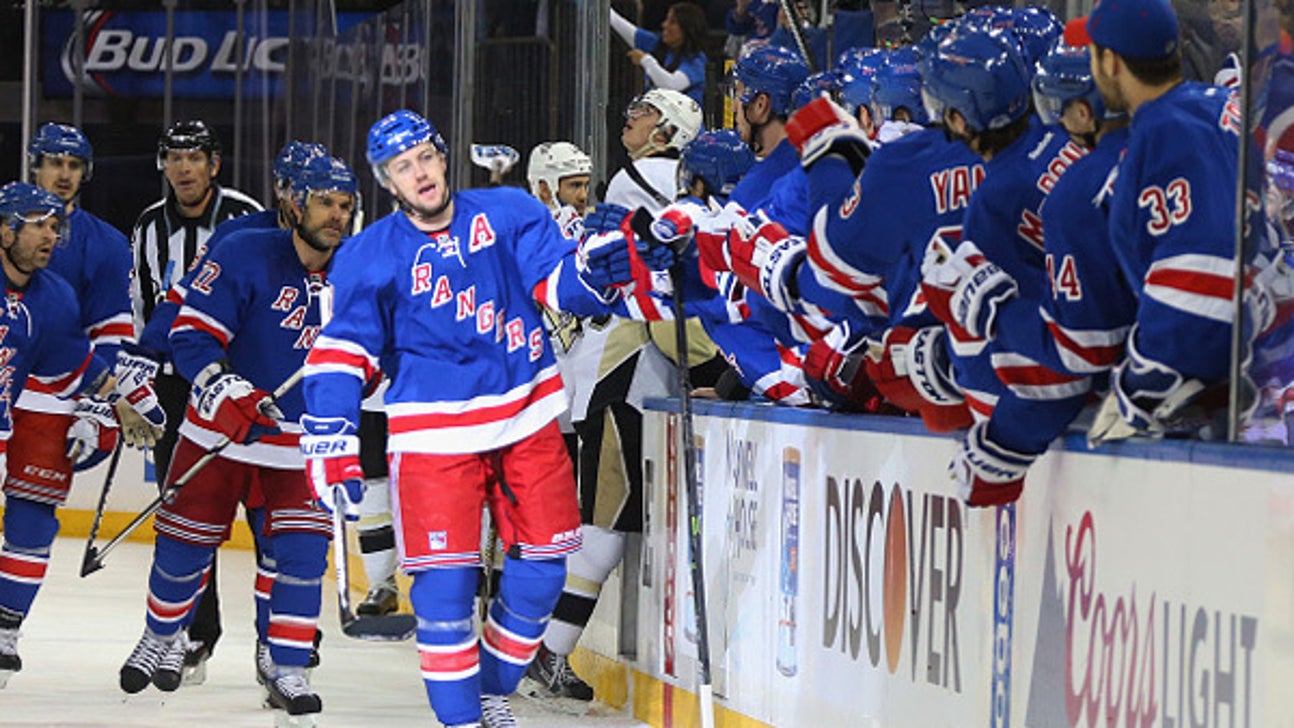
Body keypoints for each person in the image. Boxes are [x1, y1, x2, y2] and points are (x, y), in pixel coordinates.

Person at [301, 109, 652, 728]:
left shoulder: (512, 213)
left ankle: (491, 686)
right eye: (402, 167)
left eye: (425, 158)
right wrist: (330, 432)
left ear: (442, 156)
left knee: (544, 572)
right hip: (434, 438)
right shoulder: (369, 255)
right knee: (444, 593)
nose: (420, 174)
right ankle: (461, 719)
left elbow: (559, 283)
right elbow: (340, 351)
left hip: (527, 416)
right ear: (388, 181)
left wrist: (597, 271)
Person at [118, 155, 358, 726]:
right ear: (294, 200)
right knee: (184, 546)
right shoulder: (243, 249)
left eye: (345, 205)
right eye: (325, 202)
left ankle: (287, 664)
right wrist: (227, 385)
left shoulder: (358, 271)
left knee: (300, 557)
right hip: (219, 432)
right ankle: (160, 635)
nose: (336, 216)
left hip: (301, 441)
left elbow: (378, 349)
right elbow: (192, 332)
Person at [1068, 1, 1262, 445]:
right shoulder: (1218, 104)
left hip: (1239, 396)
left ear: (1111, 62)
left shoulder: (1164, 133)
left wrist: (1146, 383)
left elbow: (1207, 275)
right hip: (1263, 363)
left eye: (1094, 52)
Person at [0, 182, 165, 688]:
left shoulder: (53, 297)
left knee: (33, 516)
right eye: (38, 225)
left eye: (56, 226)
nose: (51, 236)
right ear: (6, 230)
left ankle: (4, 631)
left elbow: (78, 362)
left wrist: (125, 401)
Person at [129, 119, 263, 674]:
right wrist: (140, 381)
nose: (183, 166)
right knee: (187, 511)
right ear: (163, 164)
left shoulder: (245, 217)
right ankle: (196, 633)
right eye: (174, 156)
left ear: (215, 164)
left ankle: (281, 640)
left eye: (194, 156)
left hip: (241, 381)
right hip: (175, 383)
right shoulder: (147, 226)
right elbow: (142, 305)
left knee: (267, 509)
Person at [611, 2, 709, 107]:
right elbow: (617, 22)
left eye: (672, 22)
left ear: (687, 29)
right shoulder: (657, 44)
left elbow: (671, 85)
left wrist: (645, 60)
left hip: (684, 122)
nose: (664, 25)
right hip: (655, 120)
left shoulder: (696, 61)